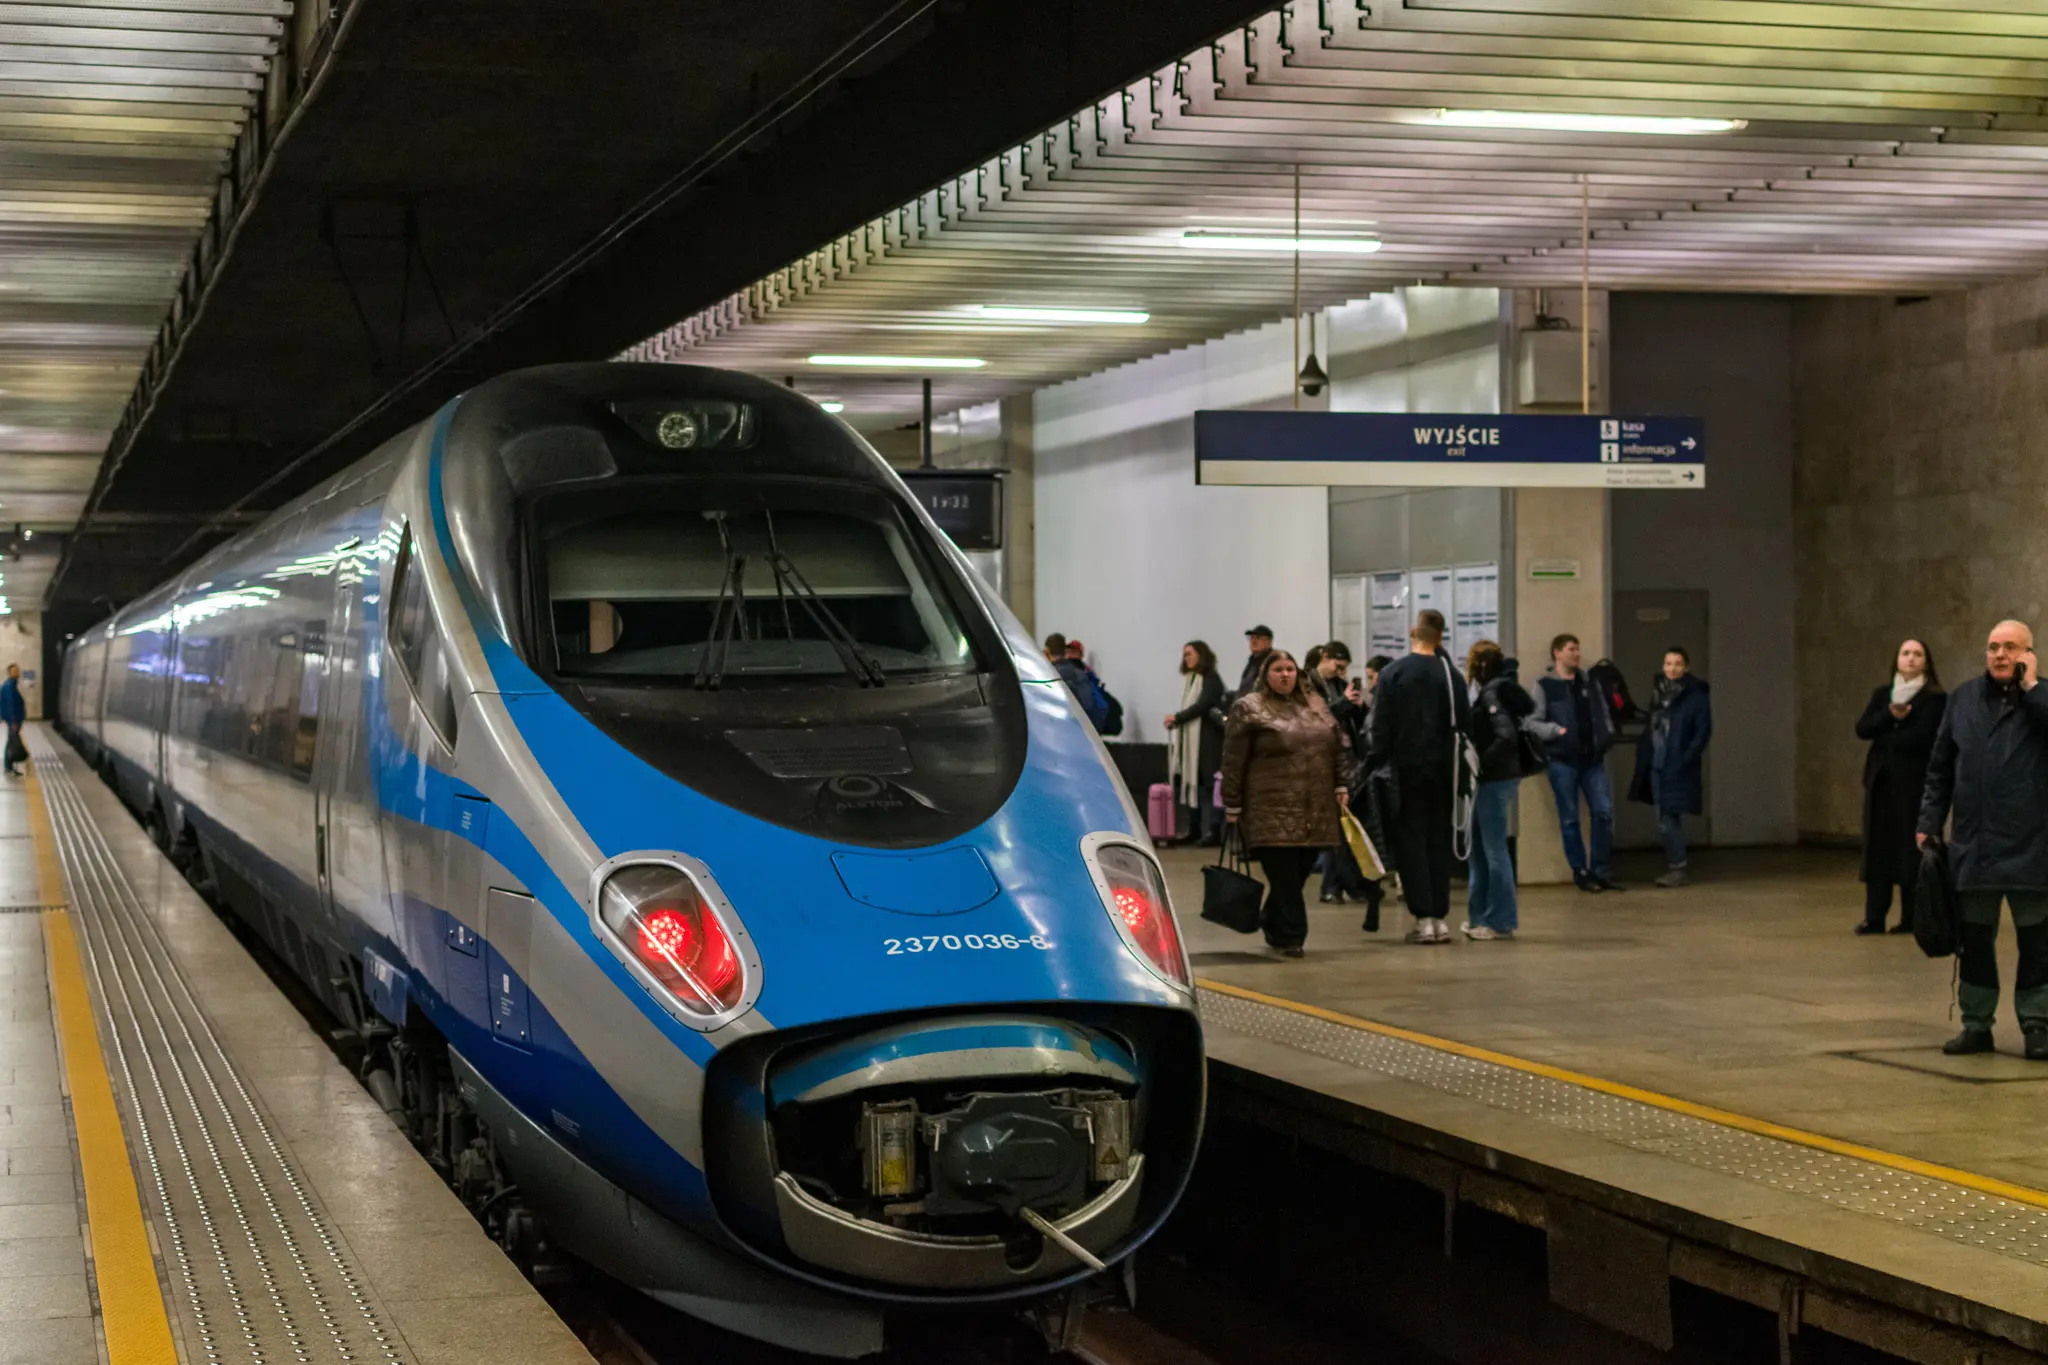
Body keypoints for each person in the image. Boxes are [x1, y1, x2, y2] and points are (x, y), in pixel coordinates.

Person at [1918, 620, 2048, 1059]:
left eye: (2011, 648)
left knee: (2037, 942)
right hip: (1974, 847)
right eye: (1993, 647)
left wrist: (2032, 688)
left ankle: (2037, 1023)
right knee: (1974, 941)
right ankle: (1977, 1025)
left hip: (2033, 845)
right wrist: (1929, 820)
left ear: (2029, 655)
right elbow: (1939, 769)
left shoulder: (2043, 699)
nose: (2000, 655)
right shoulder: (1962, 700)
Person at [1220, 651, 1348, 959]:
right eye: (1278, 670)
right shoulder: (1249, 708)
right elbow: (1233, 759)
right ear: (1266, 675)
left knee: (1300, 871)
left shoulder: (1316, 705)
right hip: (1268, 807)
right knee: (1285, 876)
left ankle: (1271, 921)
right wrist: (1232, 803)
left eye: (1290, 669)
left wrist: (1341, 782)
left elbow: (1337, 745)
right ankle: (1293, 936)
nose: (1285, 675)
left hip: (1313, 807)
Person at [1366, 612, 1470, 943]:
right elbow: (1465, 725)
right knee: (1438, 841)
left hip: (1405, 772)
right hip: (1444, 773)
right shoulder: (1452, 676)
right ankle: (1439, 917)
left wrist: (1370, 765)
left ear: (1414, 632)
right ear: (1441, 636)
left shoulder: (1394, 673)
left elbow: (1381, 730)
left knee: (1411, 842)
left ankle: (1423, 916)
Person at [1462, 643, 1558, 940]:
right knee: (1479, 848)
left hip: (1494, 778)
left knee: (1492, 850)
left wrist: (1480, 763)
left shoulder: (1491, 694)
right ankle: (1479, 916)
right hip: (1496, 778)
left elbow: (1504, 735)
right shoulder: (1501, 689)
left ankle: (1500, 921)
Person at [1855, 639, 1946, 935]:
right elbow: (1863, 728)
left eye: (1917, 654)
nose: (1910, 659)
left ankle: (1911, 918)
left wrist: (1888, 735)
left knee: (1911, 850)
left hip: (1913, 783)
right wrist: (1889, 718)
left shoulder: (1933, 698)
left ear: (1926, 662)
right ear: (1896, 659)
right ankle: (1874, 916)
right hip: (1881, 782)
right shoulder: (1883, 695)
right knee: (1878, 849)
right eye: (1905, 653)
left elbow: (1923, 737)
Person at [1536, 634, 1621, 893]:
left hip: (1592, 759)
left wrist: (1606, 736)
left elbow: (1604, 713)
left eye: (1578, 649)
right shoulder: (1545, 686)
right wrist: (1555, 731)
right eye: (1571, 649)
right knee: (1570, 819)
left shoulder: (1589, 682)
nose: (1576, 654)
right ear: (1557, 653)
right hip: (1562, 761)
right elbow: (1532, 722)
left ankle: (1599, 869)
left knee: (1603, 812)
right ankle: (1580, 871)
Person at [1630, 647, 1712, 887]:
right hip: (1656, 763)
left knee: (1668, 817)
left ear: (1686, 667)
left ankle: (1678, 868)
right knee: (1663, 818)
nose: (1672, 668)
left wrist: (1686, 758)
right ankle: (1676, 866)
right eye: (1668, 663)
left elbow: (1703, 731)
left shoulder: (1696, 695)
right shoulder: (1659, 694)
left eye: (1677, 664)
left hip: (1676, 764)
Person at [1163, 641, 1225, 845]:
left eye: (1190, 654)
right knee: (1193, 784)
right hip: (1194, 741)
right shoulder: (1191, 680)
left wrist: (1178, 718)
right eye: (1185, 655)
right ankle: (1195, 829)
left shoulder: (1211, 679)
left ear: (1202, 655)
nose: (1186, 658)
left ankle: (1214, 830)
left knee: (1208, 786)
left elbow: (1203, 705)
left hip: (1208, 741)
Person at [1044, 632, 1108, 730]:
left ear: (1047, 651)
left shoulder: (1045, 676)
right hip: (1080, 732)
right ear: (1065, 652)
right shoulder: (1080, 674)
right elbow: (1093, 705)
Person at [1236, 625, 1275, 699]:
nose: (1253, 641)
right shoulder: (1252, 662)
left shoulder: (1272, 662)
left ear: (1269, 642)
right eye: (1252, 637)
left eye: (1258, 638)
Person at [0, 664, 22, 778]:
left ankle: (9, 766)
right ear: (9, 672)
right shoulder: (9, 686)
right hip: (13, 720)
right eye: (15, 671)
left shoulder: (11, 685)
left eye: (18, 670)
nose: (17, 672)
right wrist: (13, 720)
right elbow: (10, 704)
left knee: (11, 742)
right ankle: (9, 766)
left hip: (14, 720)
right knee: (12, 743)